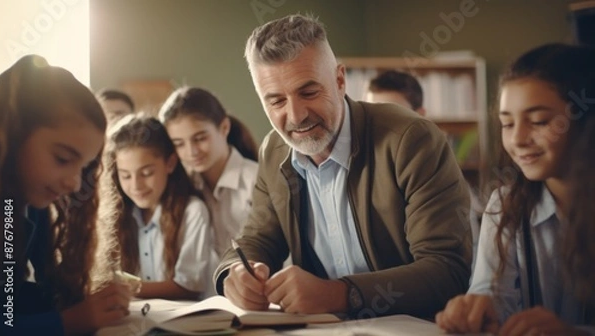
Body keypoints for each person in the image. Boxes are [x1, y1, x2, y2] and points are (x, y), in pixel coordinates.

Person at [213, 14, 472, 319]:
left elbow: (447, 270)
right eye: (276, 102)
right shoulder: (273, 150)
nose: (296, 116)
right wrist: (234, 273)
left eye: (308, 92)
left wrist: (339, 294)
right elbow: (257, 239)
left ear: (339, 80)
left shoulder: (411, 140)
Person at [435, 43, 595, 335]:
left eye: (539, 121)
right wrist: (476, 309)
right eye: (507, 123)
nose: (518, 139)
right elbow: (491, 292)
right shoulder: (505, 204)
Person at [0, 55, 131, 335]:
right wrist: (69, 321)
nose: (73, 182)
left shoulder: (26, 206)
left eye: (84, 167)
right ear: (13, 135)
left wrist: (86, 302)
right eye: (62, 158)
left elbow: (8, 304)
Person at [101, 114, 217, 300]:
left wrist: (125, 288)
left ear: (169, 164)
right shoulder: (118, 215)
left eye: (146, 173)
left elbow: (189, 286)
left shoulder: (192, 211)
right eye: (126, 176)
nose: (136, 186)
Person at [159, 87, 259, 258]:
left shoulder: (257, 180)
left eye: (200, 139)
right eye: (179, 143)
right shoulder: (185, 185)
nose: (191, 152)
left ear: (224, 128)